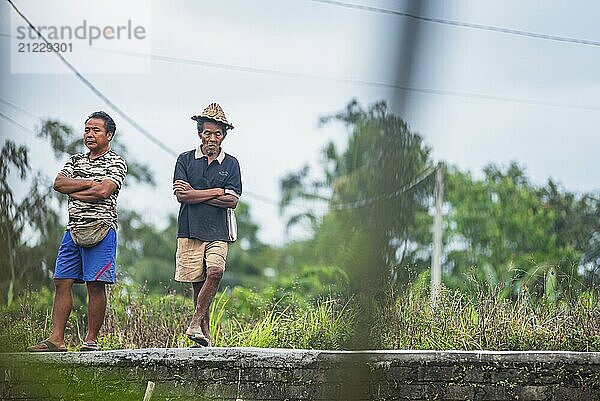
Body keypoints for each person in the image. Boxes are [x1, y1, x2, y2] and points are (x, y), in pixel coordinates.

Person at [28, 111, 127, 352]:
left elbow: (104, 192)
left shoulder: (116, 162)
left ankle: (91, 340)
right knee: (62, 281)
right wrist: (89, 184)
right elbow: (59, 184)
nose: (90, 134)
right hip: (73, 230)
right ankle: (56, 339)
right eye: (87, 130)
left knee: (95, 284)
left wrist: (78, 189)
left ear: (109, 135)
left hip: (101, 229)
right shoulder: (75, 161)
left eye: (96, 130)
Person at [173, 103, 241, 347]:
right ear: (200, 133)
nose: (212, 138)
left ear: (224, 136)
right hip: (190, 229)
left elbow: (231, 200)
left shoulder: (231, 163)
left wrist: (197, 193)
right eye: (207, 133)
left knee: (215, 272)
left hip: (218, 232)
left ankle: (194, 323)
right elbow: (182, 196)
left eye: (217, 134)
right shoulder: (185, 160)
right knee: (198, 283)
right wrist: (216, 192)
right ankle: (204, 334)